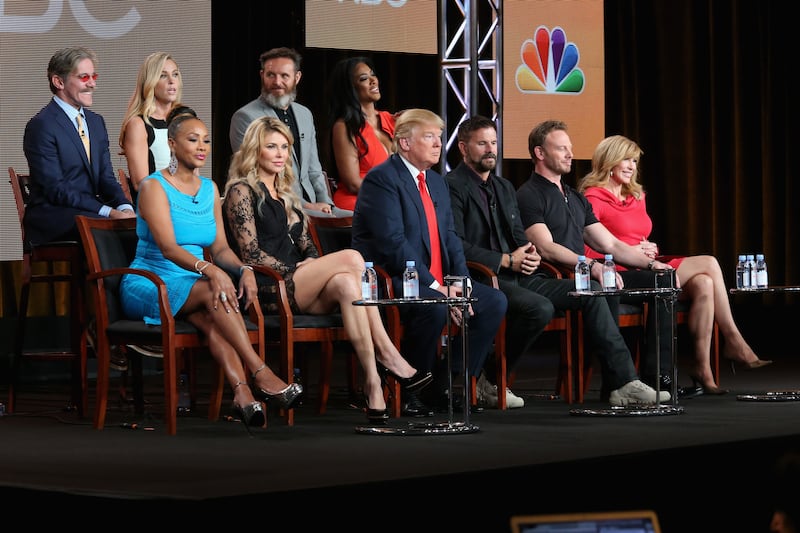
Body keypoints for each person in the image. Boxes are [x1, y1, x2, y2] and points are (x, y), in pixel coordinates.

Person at [222, 116, 432, 423]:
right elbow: (251, 254)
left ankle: (373, 383)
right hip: (271, 287)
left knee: (349, 284)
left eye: (284, 147)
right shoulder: (241, 191)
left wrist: (311, 262)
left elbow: (308, 246)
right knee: (352, 259)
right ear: (255, 150)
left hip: (300, 284)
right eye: (271, 147)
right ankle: (389, 355)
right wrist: (298, 269)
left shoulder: (289, 196)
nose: (280, 154)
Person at [119, 108, 302, 432]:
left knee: (210, 314)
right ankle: (260, 371)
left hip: (192, 282)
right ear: (172, 144)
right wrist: (212, 271)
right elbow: (168, 248)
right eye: (193, 140)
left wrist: (243, 268)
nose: (202, 146)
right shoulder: (153, 186)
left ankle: (243, 393)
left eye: (206, 140)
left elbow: (220, 248)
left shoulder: (209, 188)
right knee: (212, 289)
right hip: (150, 281)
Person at [578, 135, 772, 394]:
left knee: (704, 282)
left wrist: (647, 248)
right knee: (710, 263)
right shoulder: (593, 198)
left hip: (647, 265)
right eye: (626, 159)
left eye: (634, 161)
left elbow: (638, 234)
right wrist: (634, 251)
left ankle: (703, 368)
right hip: (619, 272)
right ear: (608, 160)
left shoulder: (636, 195)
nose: (631, 166)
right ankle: (734, 339)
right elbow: (587, 248)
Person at [352, 108, 508, 416]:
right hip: (393, 278)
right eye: (429, 137)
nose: (438, 144)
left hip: (435, 279)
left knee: (493, 301)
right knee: (433, 305)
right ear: (405, 143)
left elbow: (450, 238)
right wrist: (437, 287)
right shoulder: (381, 180)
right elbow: (392, 244)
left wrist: (460, 284)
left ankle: (445, 382)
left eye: (439, 137)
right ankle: (412, 389)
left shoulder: (436, 182)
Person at [516, 119, 673, 405]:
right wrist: (592, 265)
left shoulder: (574, 198)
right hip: (552, 278)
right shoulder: (529, 194)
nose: (569, 154)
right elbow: (546, 247)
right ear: (540, 153)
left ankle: (655, 377)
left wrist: (651, 265)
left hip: (583, 275)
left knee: (665, 280)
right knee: (601, 282)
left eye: (570, 148)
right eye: (561, 148)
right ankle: (621, 382)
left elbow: (610, 243)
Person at [22, 46, 135, 248]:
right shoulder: (41, 125)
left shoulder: (96, 122)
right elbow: (56, 189)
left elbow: (106, 178)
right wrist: (109, 212)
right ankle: (105, 280)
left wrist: (124, 207)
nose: (92, 84)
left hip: (89, 210)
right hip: (55, 215)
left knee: (141, 224)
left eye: (94, 76)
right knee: (110, 228)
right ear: (59, 81)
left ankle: (139, 279)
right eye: (84, 77)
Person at [229, 47, 350, 218]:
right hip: (279, 207)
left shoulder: (305, 114)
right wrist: (307, 205)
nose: (277, 82)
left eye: (284, 76)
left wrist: (326, 203)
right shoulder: (246, 116)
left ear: (297, 77)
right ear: (262, 75)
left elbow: (314, 169)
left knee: (364, 221)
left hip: (316, 204)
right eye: (271, 75)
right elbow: (255, 177)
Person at [327, 56, 396, 212]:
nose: (373, 81)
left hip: (393, 199)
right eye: (364, 78)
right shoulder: (344, 126)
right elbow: (353, 184)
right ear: (350, 88)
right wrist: (396, 194)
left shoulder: (391, 120)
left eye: (373, 74)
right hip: (361, 202)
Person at [119, 51, 183, 201]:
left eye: (175, 74)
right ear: (150, 81)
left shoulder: (185, 121)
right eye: (163, 75)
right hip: (156, 207)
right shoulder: (138, 124)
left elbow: (194, 175)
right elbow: (140, 184)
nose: (171, 81)